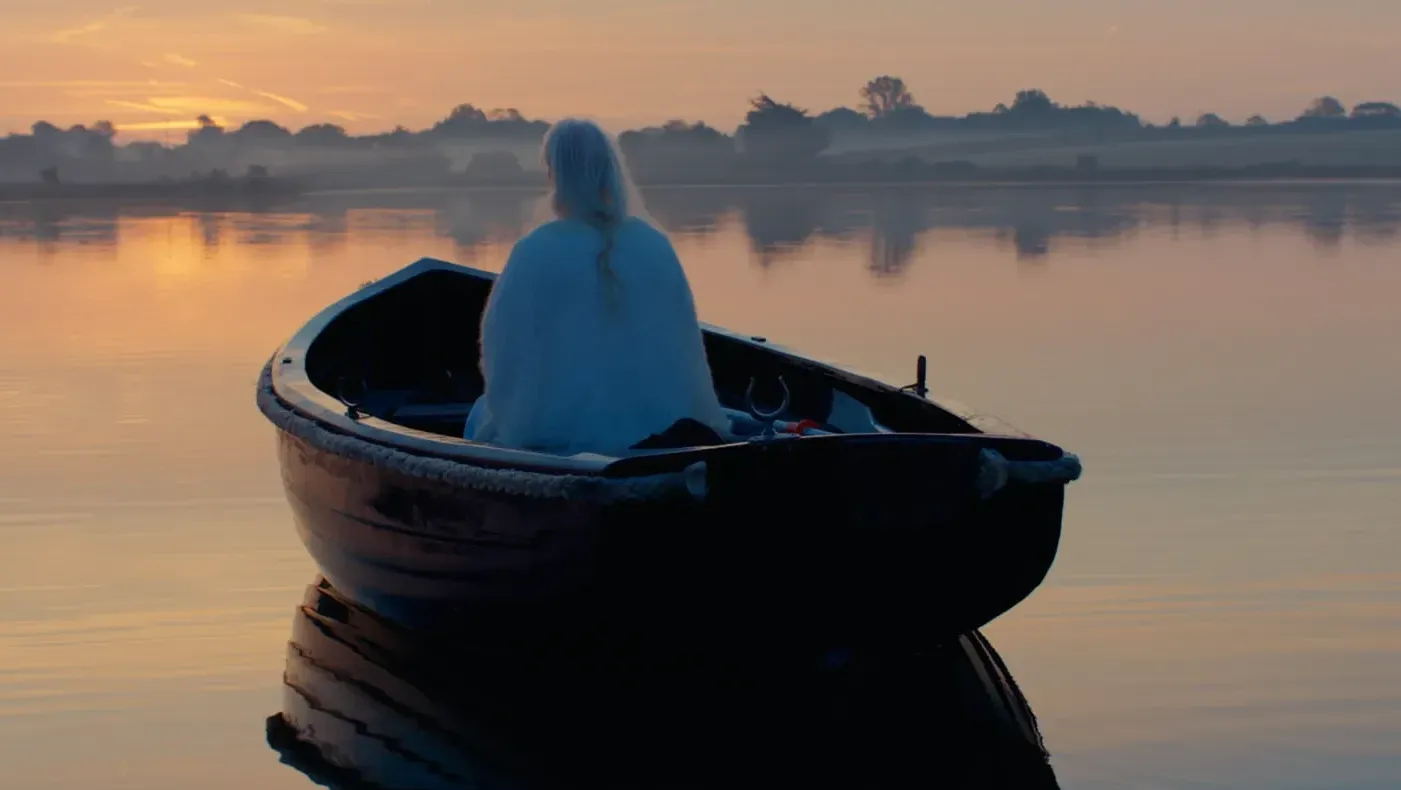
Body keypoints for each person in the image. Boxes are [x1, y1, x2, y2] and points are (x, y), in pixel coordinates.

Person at [463, 118, 730, 456]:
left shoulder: (536, 250)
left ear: (556, 176)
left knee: (480, 415)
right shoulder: (654, 245)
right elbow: (687, 347)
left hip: (558, 430)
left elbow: (501, 348)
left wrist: (515, 409)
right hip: (663, 425)